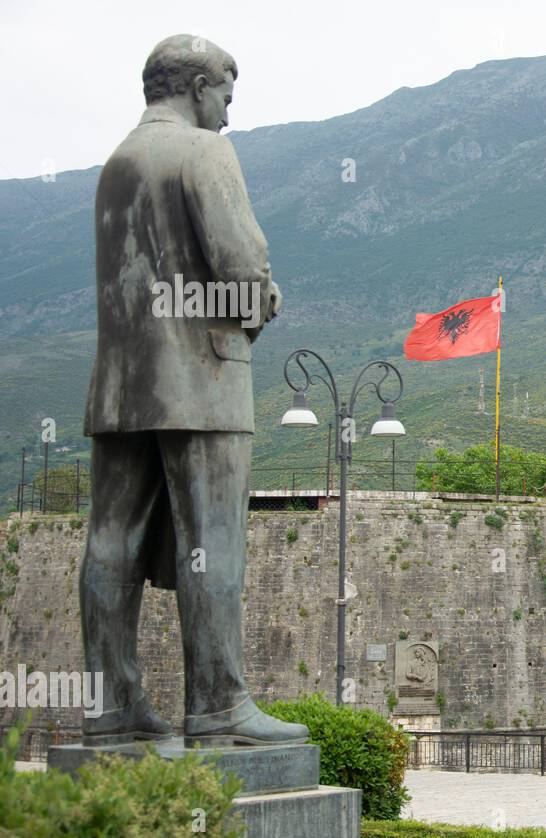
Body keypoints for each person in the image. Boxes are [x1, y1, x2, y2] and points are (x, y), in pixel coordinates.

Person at [80, 34, 306, 746]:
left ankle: (111, 709)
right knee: (213, 541)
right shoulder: (205, 153)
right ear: (198, 86)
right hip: (201, 378)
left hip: (121, 385)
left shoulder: (116, 163)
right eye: (226, 98)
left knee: (110, 541)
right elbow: (240, 262)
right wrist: (263, 302)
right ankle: (218, 707)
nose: (228, 117)